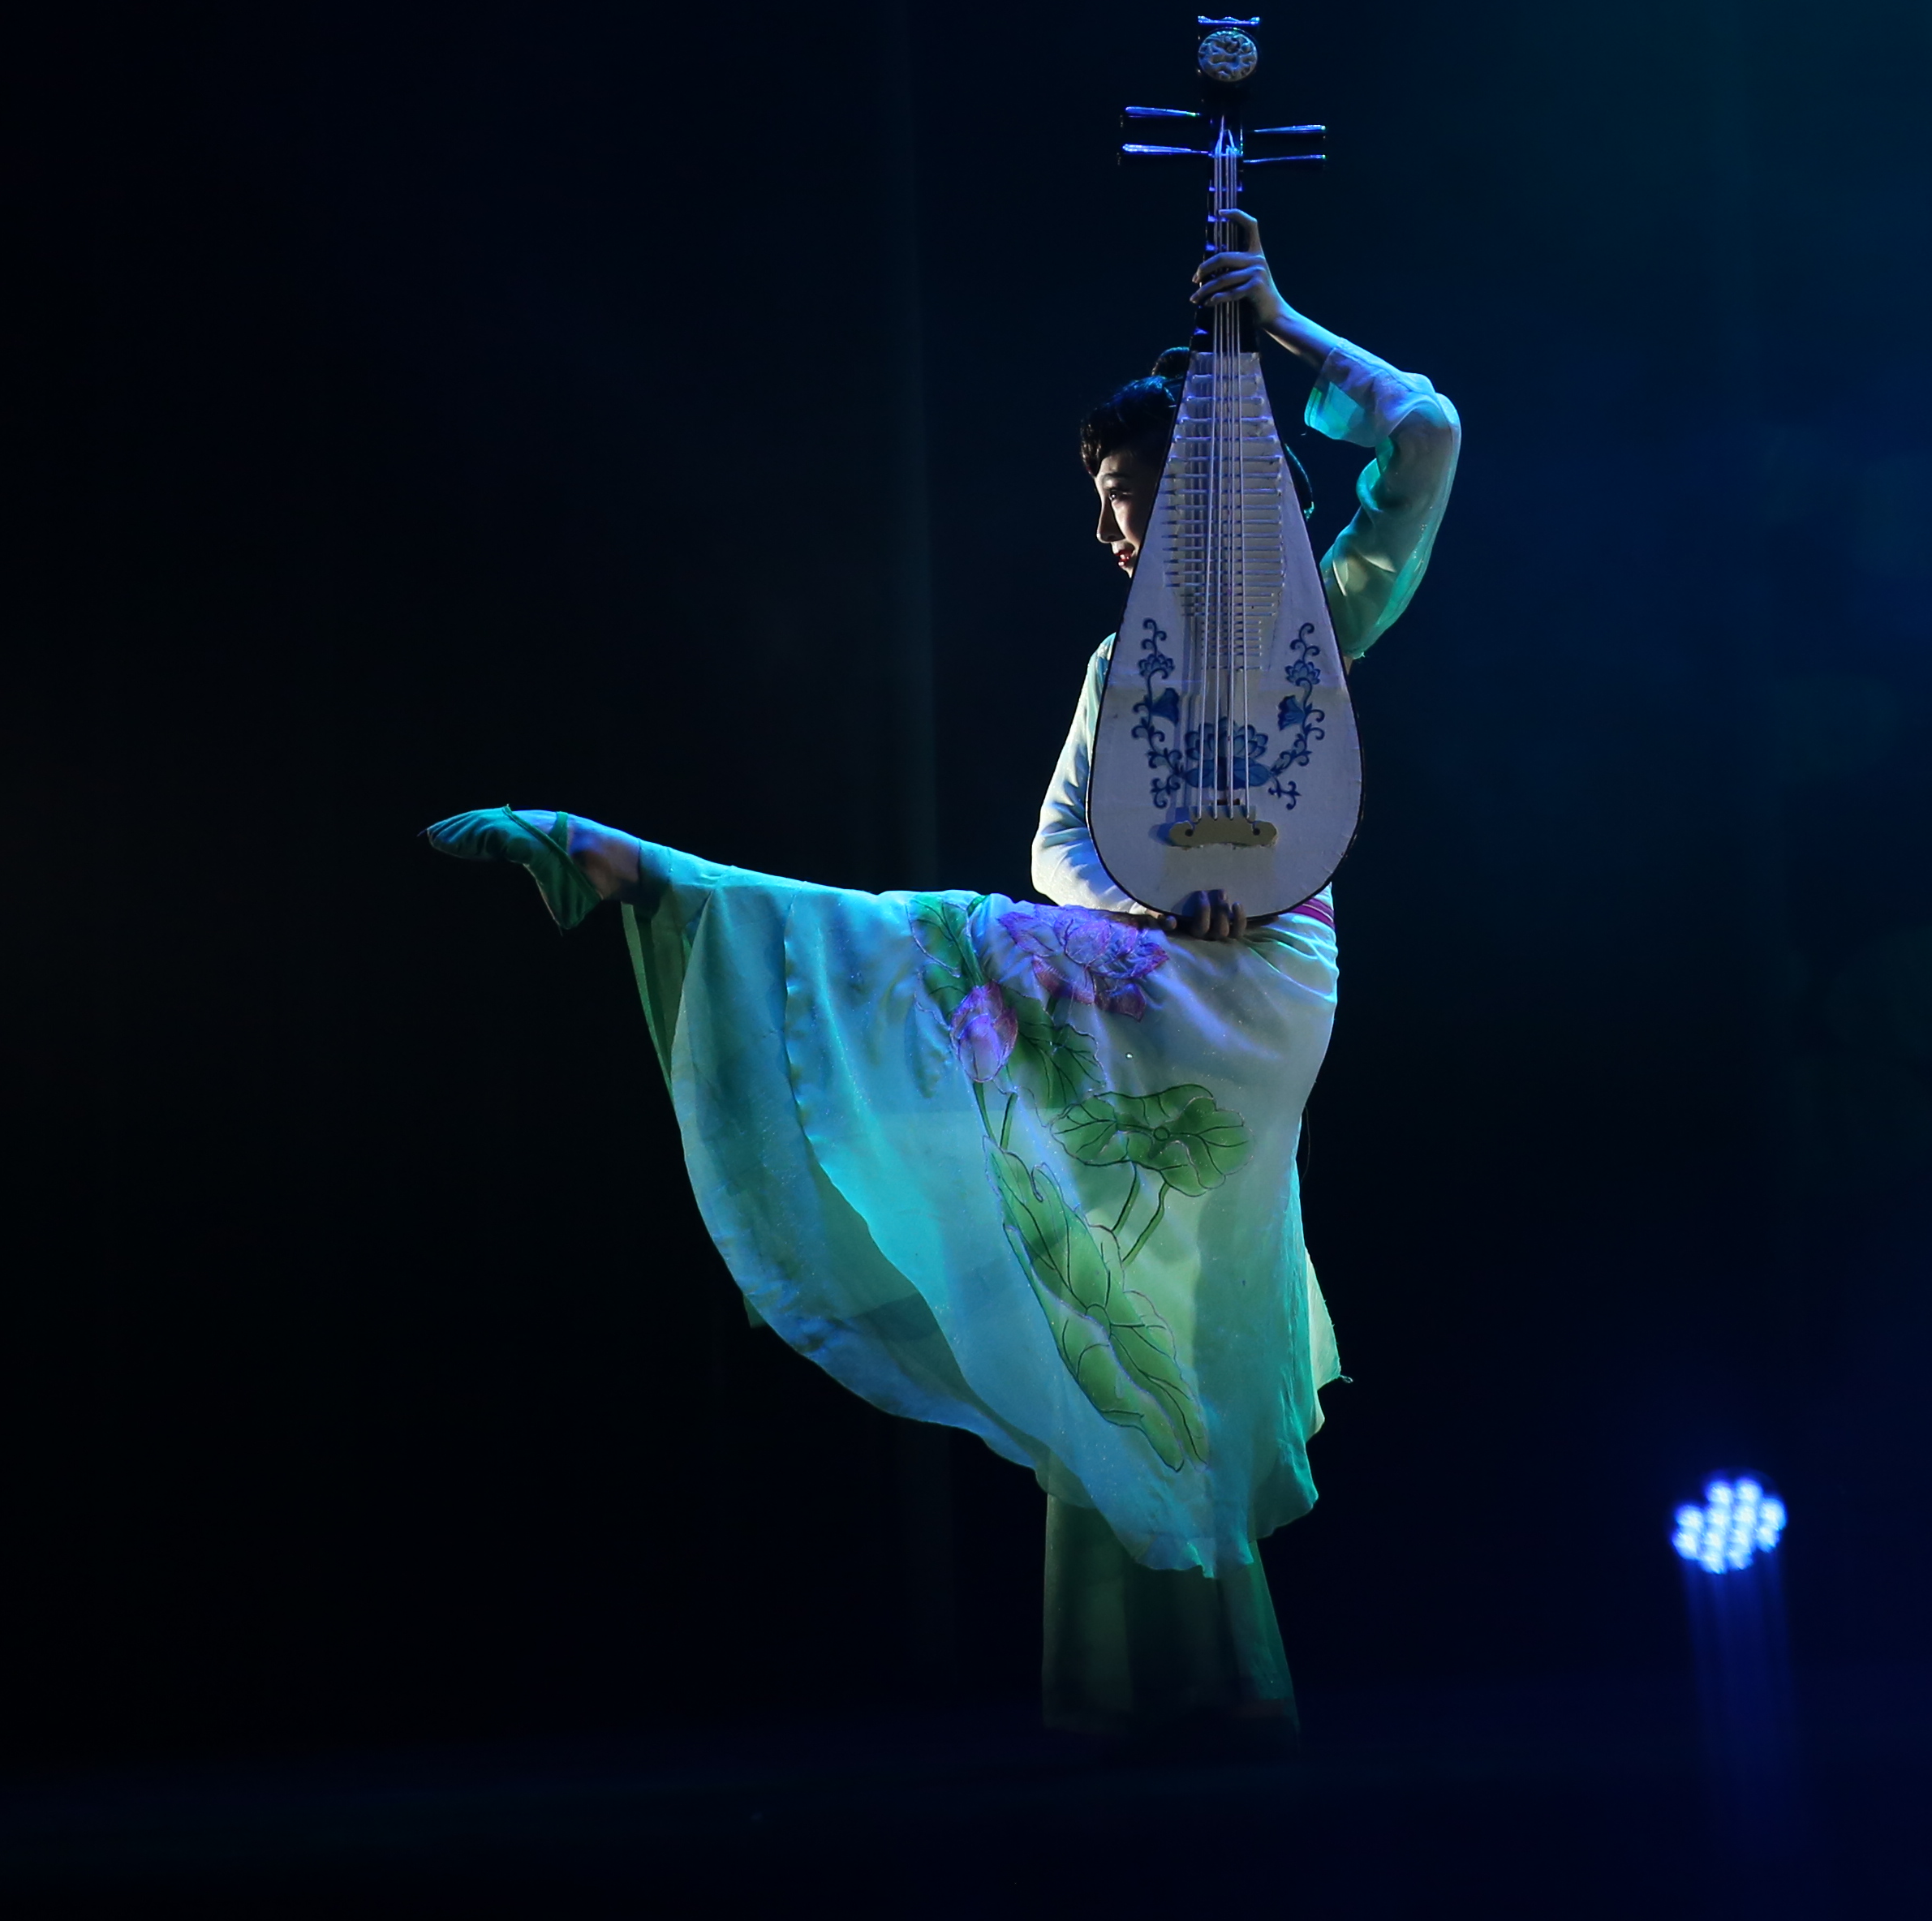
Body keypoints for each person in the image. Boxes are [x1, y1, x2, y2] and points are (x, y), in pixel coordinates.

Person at [428, 207, 1458, 1754]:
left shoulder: (1317, 616)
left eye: (1123, 499)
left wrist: (1281, 322)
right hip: (1148, 954)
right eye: (1102, 508)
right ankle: (1184, 1677)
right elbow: (1059, 846)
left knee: (952, 957)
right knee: (1117, 1288)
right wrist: (1146, 900)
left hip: (1262, 988)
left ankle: (678, 889)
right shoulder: (1118, 671)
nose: (1110, 536)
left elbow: (1425, 434)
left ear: (1196, 484)